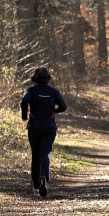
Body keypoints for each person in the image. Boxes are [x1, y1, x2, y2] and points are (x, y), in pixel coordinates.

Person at [20, 67, 67, 197]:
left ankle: (35, 186)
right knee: (45, 154)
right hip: (49, 128)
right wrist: (54, 111)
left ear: (35, 77)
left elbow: (24, 100)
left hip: (34, 127)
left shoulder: (31, 91)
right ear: (48, 78)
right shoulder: (53, 91)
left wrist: (24, 115)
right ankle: (44, 179)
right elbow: (63, 106)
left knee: (35, 155)